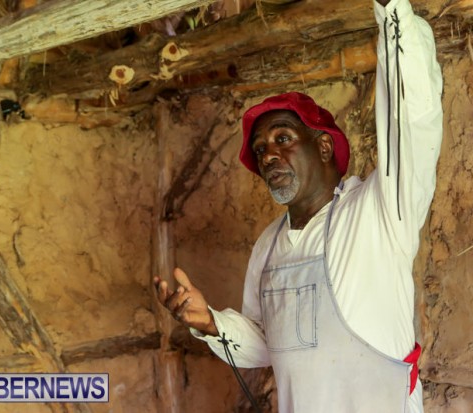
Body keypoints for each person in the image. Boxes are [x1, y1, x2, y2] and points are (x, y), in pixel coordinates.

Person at [154, 0, 442, 411]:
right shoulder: (268, 246)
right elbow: (267, 344)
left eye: (283, 138)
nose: (268, 155)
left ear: (323, 146)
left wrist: (391, 11)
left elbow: (412, 123)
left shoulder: (378, 211)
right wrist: (212, 322)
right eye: (260, 149)